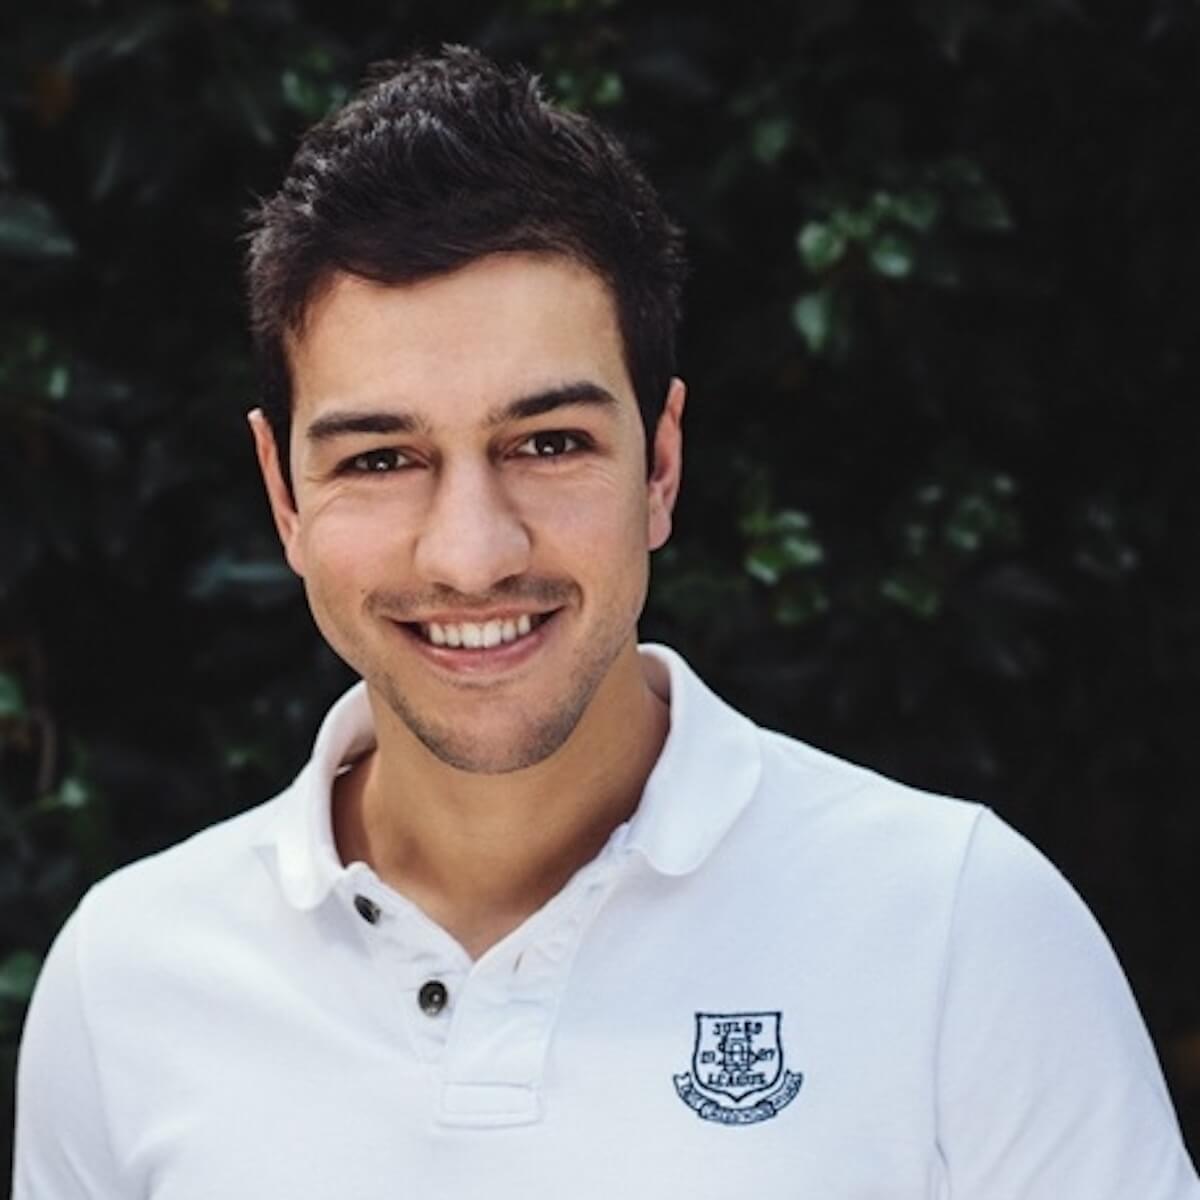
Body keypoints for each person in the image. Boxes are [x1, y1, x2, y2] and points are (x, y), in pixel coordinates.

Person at [12, 45, 1199, 1200]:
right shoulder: (127, 983)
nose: (472, 554)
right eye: (380, 458)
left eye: (547, 443)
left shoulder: (960, 929)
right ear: (283, 495)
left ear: (661, 464)